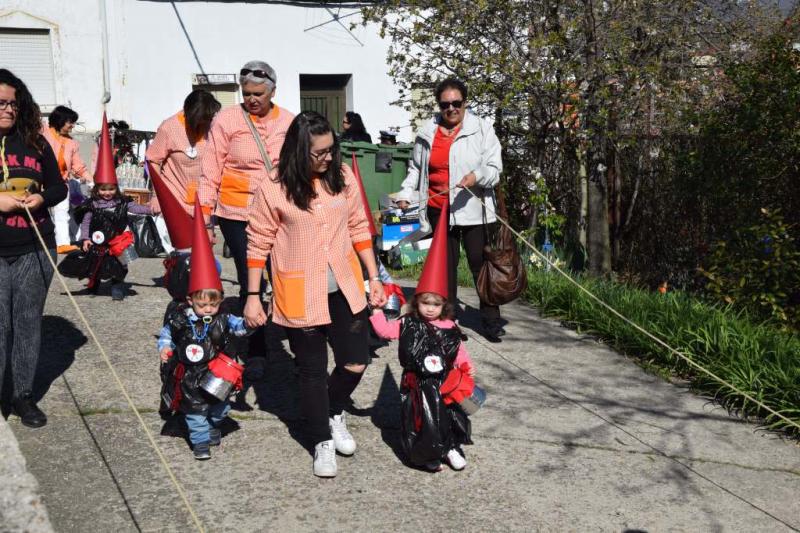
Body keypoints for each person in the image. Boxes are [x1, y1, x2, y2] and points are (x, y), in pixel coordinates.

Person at [244, 111, 387, 477]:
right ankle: (321, 439)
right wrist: (252, 295)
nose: (327, 158)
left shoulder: (341, 177)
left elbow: (358, 226)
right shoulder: (274, 186)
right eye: (318, 153)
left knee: (355, 362)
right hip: (299, 290)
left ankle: (333, 408)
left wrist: (375, 278)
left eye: (330, 150)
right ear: (297, 151)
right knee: (311, 371)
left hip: (344, 286)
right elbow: (258, 242)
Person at [199, 60, 294, 373]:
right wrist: (206, 215)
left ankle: (296, 339)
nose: (252, 99)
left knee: (283, 275)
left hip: (278, 210)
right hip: (236, 211)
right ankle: (257, 348)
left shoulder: (289, 122)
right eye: (247, 92)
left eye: (258, 93)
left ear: (272, 91)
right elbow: (211, 167)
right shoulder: (227, 119)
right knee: (250, 275)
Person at [394, 77, 505, 342]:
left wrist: (476, 176)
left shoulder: (482, 129)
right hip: (438, 209)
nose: (451, 109)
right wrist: (406, 194)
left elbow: (495, 169)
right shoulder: (427, 132)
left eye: (457, 103)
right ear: (439, 106)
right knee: (446, 268)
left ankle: (490, 321)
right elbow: (416, 170)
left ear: (465, 103)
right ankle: (448, 322)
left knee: (480, 266)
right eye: (446, 104)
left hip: (473, 211)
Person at [369, 199, 474, 471]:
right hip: (416, 385)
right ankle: (426, 456)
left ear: (444, 306)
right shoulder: (409, 323)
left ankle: (449, 447)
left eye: (435, 304)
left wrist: (465, 368)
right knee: (421, 420)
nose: (429, 308)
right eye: (425, 303)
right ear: (418, 303)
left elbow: (458, 350)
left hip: (444, 383)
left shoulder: (450, 327)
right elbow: (385, 331)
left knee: (447, 416)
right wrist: (375, 311)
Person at [0, 69, 68, 427]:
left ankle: (23, 395)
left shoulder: (35, 142)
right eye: (1, 103)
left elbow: (60, 188)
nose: (8, 109)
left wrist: (41, 197)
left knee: (27, 324)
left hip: (33, 248)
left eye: (13, 103)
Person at [159, 200, 251, 460]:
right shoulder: (180, 318)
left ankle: (213, 425)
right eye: (202, 305)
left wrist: (249, 324)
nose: (208, 309)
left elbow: (239, 327)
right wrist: (164, 346)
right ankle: (200, 441)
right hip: (189, 374)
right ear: (190, 301)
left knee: (219, 408)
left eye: (214, 304)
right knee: (195, 409)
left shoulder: (223, 317)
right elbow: (167, 333)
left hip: (216, 371)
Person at [72, 114, 151, 301]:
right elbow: (86, 222)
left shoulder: (122, 202)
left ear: (116, 188)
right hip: (98, 242)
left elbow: (136, 209)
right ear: (97, 189)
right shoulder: (92, 205)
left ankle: (117, 287)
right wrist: (85, 238)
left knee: (120, 265)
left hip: (118, 241)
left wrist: (152, 209)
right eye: (103, 189)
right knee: (96, 264)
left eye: (111, 189)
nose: (107, 193)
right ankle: (94, 285)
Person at [146, 90, 221, 218]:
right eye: (202, 120)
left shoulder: (213, 126)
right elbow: (153, 160)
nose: (205, 124)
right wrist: (156, 195)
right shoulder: (169, 128)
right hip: (174, 201)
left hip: (203, 203)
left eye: (208, 118)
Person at [41, 105, 93, 254]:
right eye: (70, 122)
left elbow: (79, 166)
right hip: (40, 181)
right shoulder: (42, 133)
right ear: (60, 120)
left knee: (62, 212)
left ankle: (62, 244)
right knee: (38, 212)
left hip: (61, 183)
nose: (72, 125)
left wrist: (92, 182)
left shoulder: (72, 143)